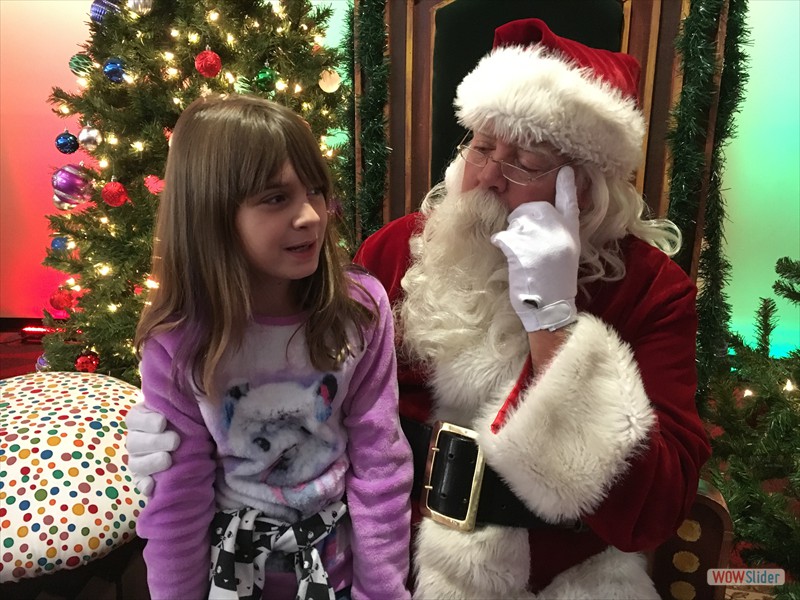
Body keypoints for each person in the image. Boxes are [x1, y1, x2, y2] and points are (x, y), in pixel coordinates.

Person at [127, 18, 711, 599]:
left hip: (561, 574)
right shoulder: (399, 249)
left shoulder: (651, 290)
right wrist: (182, 433)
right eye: (482, 146)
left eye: (527, 163)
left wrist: (553, 320)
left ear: (583, 189)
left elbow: (655, 512)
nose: (487, 179)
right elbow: (298, 378)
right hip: (389, 562)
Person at [131, 93, 412, 600]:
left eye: (316, 191)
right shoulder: (177, 340)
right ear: (211, 214)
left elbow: (382, 463)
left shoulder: (360, 309)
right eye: (275, 198)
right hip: (229, 575)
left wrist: (383, 592)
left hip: (340, 569)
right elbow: (176, 500)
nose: (310, 215)